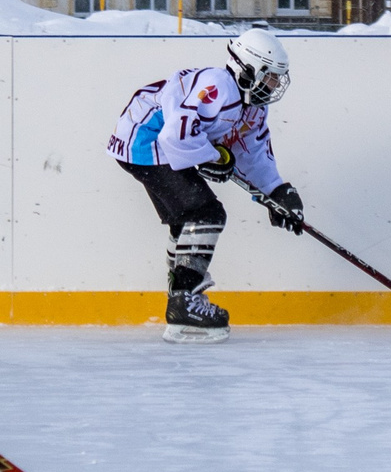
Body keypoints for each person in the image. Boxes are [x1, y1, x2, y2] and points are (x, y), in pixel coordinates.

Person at [108, 27, 305, 342]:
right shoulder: (218, 87)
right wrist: (211, 157)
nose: (274, 85)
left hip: (156, 143)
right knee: (206, 214)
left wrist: (277, 191)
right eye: (269, 77)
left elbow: (253, 152)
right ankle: (184, 302)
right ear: (246, 70)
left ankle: (181, 298)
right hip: (144, 138)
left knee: (187, 220)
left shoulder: (253, 107)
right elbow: (174, 135)